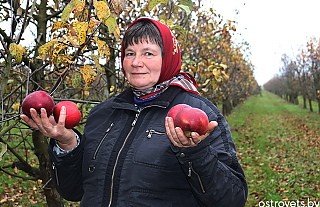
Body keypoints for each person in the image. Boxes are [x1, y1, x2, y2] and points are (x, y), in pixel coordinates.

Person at [20, 17, 248, 207]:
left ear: (167, 57)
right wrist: (67, 142)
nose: (136, 62)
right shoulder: (103, 114)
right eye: (129, 53)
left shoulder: (200, 113)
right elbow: (74, 191)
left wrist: (196, 154)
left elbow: (232, 199)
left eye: (148, 53)